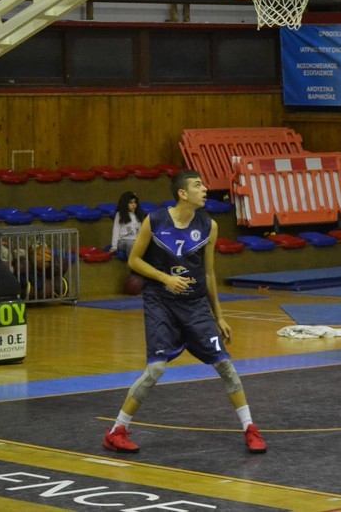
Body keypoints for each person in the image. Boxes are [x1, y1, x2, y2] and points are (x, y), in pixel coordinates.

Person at [102, 170, 266, 455]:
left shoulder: (209, 226)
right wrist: (165, 278)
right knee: (156, 369)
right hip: (160, 302)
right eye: (197, 185)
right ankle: (116, 431)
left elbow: (209, 274)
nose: (204, 189)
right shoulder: (155, 221)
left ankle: (250, 428)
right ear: (182, 193)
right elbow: (134, 260)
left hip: (195, 305)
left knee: (225, 366)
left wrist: (219, 316)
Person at [109, 191, 144, 257]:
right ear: (125, 203)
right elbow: (116, 230)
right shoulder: (120, 214)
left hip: (136, 240)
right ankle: (132, 262)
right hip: (123, 241)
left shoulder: (138, 214)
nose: (134, 205)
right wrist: (114, 246)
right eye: (131, 203)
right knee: (130, 243)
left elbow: (140, 230)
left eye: (135, 202)